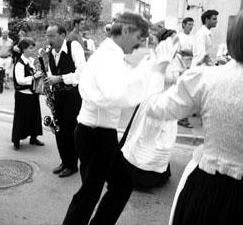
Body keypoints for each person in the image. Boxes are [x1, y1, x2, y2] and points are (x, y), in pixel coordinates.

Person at [62, 12, 176, 224]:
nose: (140, 45)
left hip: (101, 133)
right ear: (125, 31)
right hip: (95, 133)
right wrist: (155, 68)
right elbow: (119, 94)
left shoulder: (111, 55)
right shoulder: (108, 57)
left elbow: (126, 84)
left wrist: (152, 65)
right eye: (139, 39)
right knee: (90, 194)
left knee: (121, 185)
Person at [146, 5, 243, 224]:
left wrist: (158, 69)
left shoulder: (207, 79)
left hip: (208, 191)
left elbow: (155, 107)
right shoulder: (204, 74)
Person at [121, 28, 179, 190]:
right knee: (145, 139)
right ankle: (139, 176)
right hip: (153, 103)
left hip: (169, 106)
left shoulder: (177, 59)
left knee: (162, 141)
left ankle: (158, 174)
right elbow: (147, 80)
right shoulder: (153, 58)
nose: (175, 44)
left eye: (177, 41)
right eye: (172, 41)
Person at [44, 23, 86, 178]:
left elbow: (83, 73)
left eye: (52, 36)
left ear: (62, 35)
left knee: (70, 131)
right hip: (58, 97)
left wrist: (60, 78)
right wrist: (47, 84)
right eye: (47, 36)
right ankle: (64, 161)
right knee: (59, 131)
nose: (49, 39)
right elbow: (50, 74)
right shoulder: (50, 52)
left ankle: (72, 165)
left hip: (72, 96)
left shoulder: (73, 46)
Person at [11, 37, 44, 149]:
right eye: (30, 48)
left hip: (33, 94)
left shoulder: (30, 61)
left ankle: (33, 138)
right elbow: (19, 80)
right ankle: (16, 140)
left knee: (34, 117)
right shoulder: (19, 63)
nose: (33, 50)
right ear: (24, 49)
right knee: (21, 118)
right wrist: (33, 77)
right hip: (23, 95)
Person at [176, 17, 195, 129]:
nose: (191, 27)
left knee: (189, 93)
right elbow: (179, 52)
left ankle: (184, 117)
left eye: (192, 24)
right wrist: (189, 53)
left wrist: (190, 53)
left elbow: (195, 52)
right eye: (189, 24)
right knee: (183, 93)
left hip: (190, 67)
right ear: (183, 25)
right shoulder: (179, 37)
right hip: (181, 67)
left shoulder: (193, 38)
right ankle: (182, 118)